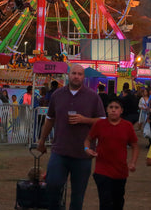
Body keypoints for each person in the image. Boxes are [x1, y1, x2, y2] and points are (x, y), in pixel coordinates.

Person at [36, 63, 106, 210]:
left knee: (78, 195)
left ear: (83, 77)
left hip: (83, 153)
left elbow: (102, 121)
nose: (76, 76)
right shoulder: (57, 95)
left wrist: (84, 120)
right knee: (53, 185)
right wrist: (42, 140)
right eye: (74, 73)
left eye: (80, 74)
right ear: (68, 75)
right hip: (60, 150)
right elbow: (49, 119)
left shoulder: (93, 97)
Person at [84, 98, 139, 210]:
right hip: (102, 170)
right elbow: (88, 139)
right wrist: (87, 149)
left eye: (116, 108)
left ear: (121, 111)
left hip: (120, 171)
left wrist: (133, 162)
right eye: (111, 107)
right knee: (105, 202)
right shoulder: (99, 124)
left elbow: (135, 145)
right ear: (106, 110)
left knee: (118, 202)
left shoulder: (127, 126)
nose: (113, 110)